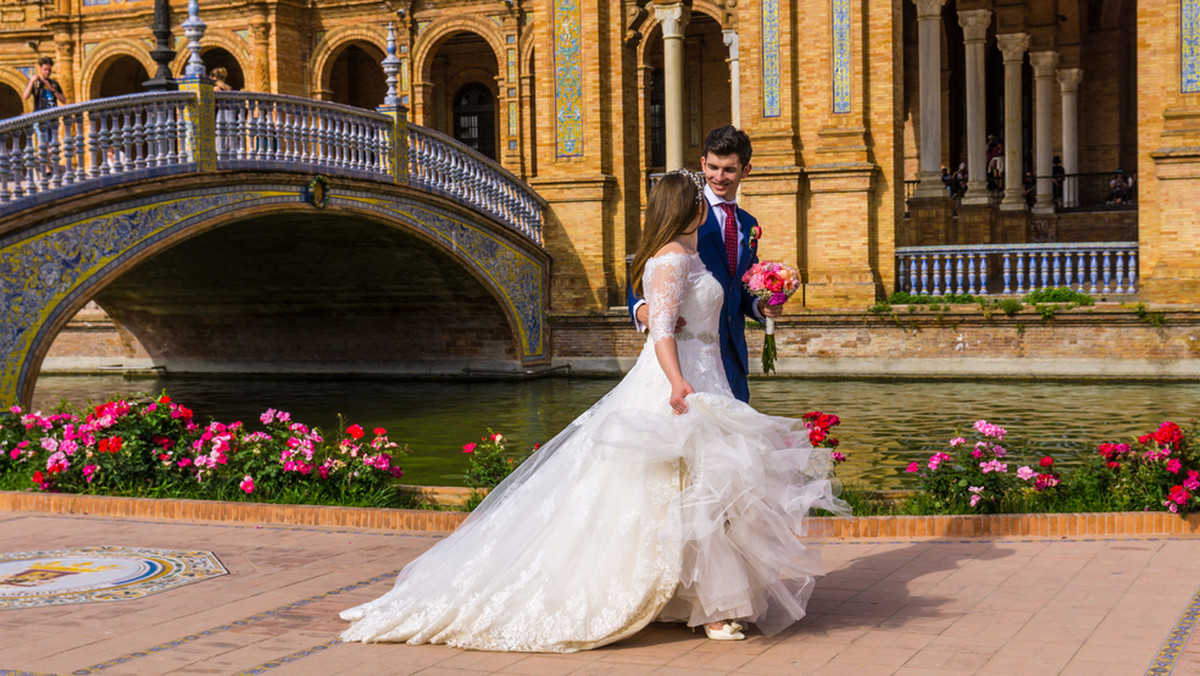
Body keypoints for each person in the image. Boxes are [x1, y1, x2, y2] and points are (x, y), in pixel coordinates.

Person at [339, 171, 847, 651]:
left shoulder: (693, 257)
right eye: (698, 203)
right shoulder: (670, 260)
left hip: (712, 369)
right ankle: (711, 607)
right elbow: (662, 328)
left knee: (707, 488)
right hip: (681, 375)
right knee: (686, 485)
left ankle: (696, 599)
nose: (705, 210)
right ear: (686, 209)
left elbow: (703, 311)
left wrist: (763, 301)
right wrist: (676, 382)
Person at [629, 125, 776, 403]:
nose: (719, 177)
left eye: (729, 170)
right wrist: (642, 310)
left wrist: (759, 305)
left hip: (730, 358)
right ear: (703, 163)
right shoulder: (684, 214)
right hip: (686, 357)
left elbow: (738, 288)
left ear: (746, 170)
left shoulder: (749, 224)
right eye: (713, 167)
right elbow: (646, 269)